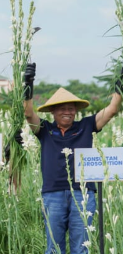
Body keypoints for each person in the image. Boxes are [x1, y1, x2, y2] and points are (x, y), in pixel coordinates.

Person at [23, 63, 122, 254]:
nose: (67, 112)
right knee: (53, 248)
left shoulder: (86, 125)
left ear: (75, 110)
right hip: (53, 195)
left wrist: (120, 83)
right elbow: (28, 113)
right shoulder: (45, 130)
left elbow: (111, 110)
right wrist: (28, 83)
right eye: (61, 109)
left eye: (70, 108)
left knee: (82, 247)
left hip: (82, 194)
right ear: (53, 112)